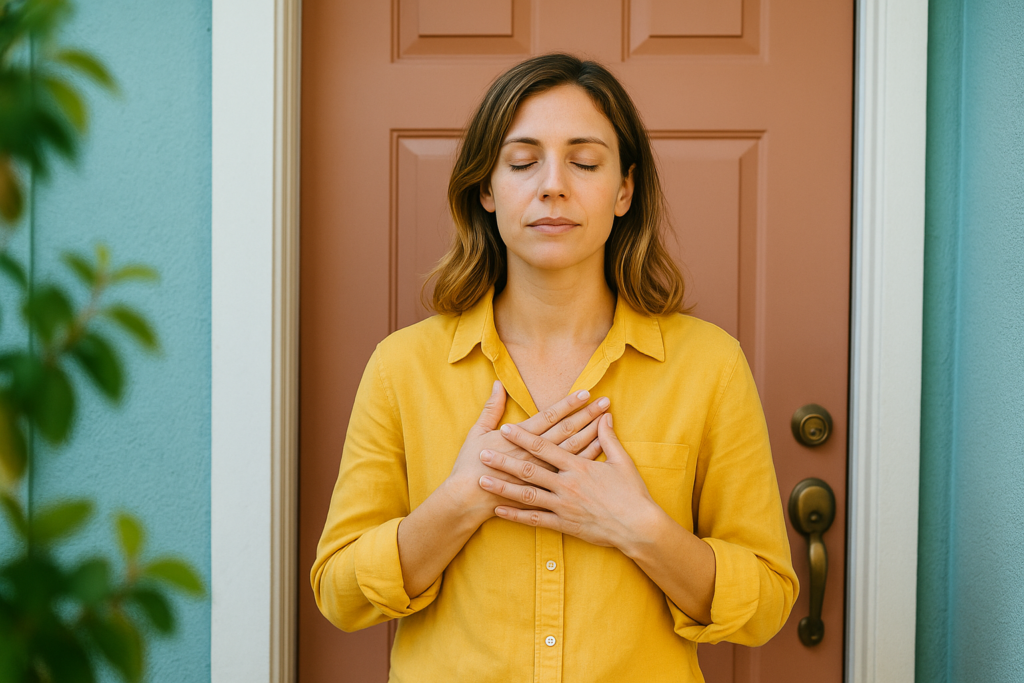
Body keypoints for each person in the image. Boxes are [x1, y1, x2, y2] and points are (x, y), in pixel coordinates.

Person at [311, 53, 797, 682]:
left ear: (625, 190)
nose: (552, 185)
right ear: (487, 188)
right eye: (521, 162)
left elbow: (766, 604)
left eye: (585, 162)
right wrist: (463, 497)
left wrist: (639, 526)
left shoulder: (710, 366)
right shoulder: (402, 367)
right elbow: (339, 596)